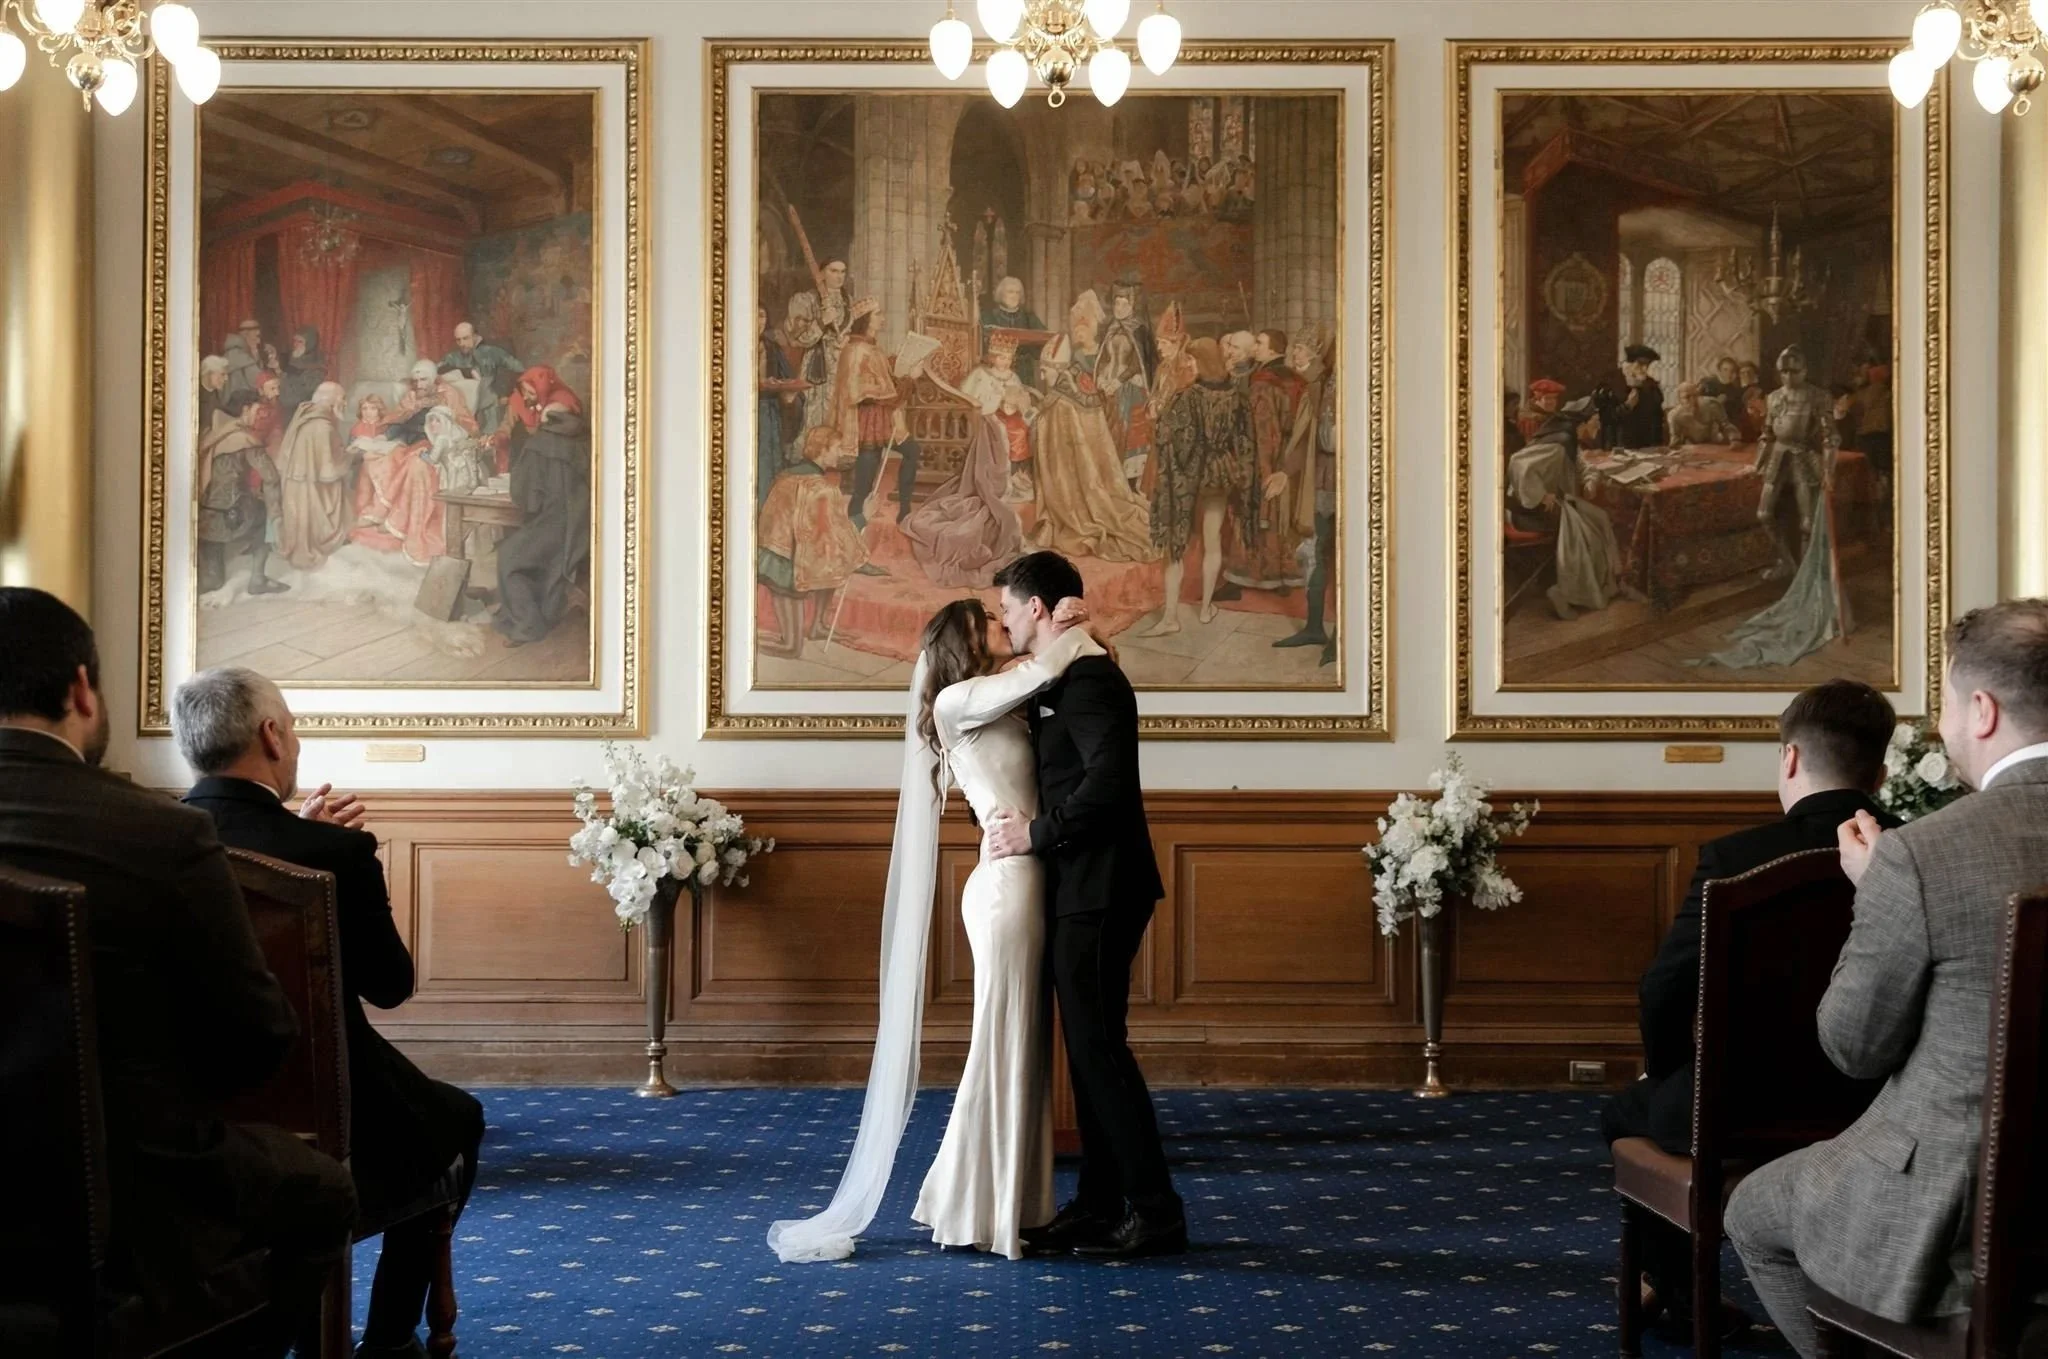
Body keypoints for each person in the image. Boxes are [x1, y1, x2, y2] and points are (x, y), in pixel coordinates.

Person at [0, 589, 355, 1357]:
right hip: (130, 1188)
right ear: (83, 690)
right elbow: (258, 1036)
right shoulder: (158, 832)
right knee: (325, 1191)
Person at [1727, 599, 2048, 1359]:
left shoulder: (1920, 856)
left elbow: (1853, 1047)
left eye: (1944, 701)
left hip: (1961, 1199)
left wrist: (1878, 892)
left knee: (1752, 1211)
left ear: (1982, 708)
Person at [766, 594, 1104, 1263]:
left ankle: (1008, 1202)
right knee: (999, 1045)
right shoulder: (957, 703)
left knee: (1024, 1046)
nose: (1001, 628)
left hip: (1028, 879)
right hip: (1007, 893)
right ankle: (967, 1201)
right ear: (961, 642)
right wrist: (1077, 629)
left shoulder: (993, 701)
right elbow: (1039, 671)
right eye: (989, 624)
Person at [174, 668, 487, 1359]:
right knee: (458, 1121)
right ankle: (390, 1338)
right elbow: (390, 985)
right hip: (330, 1102)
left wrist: (290, 831)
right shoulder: (335, 853)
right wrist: (317, 850)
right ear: (272, 734)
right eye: (294, 724)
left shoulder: (159, 837)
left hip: (190, 1102)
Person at [1605, 680, 1898, 1341]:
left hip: (1739, 1104)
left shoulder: (1734, 858)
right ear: (1879, 772)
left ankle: (1677, 1290)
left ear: (1789, 758)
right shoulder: (1916, 849)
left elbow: (1663, 989)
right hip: (1881, 1107)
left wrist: (1674, 1073)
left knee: (1625, 1109)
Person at [984, 551, 1185, 1260]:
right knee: (1091, 1053)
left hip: (1101, 889)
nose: (1002, 620)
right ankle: (1100, 1206)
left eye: (1008, 607)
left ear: (1037, 608)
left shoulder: (1092, 680)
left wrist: (1035, 833)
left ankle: (1156, 1212)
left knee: (1100, 1053)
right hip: (1085, 888)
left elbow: (1108, 785)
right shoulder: (1069, 674)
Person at [1028, 296, 1156, 563]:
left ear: (1056, 368)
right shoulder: (1076, 377)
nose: (1042, 378)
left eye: (1044, 371)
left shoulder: (1061, 399)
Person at [1145, 337, 1253, 635]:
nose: (1188, 364)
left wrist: (1159, 421)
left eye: (1192, 360)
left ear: (1202, 362)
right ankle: (1205, 609)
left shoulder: (1187, 396)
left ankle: (1170, 618)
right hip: (1219, 474)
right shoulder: (1235, 396)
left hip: (1187, 477)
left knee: (1175, 545)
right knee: (1212, 540)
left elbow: (1174, 442)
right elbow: (1244, 441)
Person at [1507, 396, 1637, 621]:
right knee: (1585, 531)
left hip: (1556, 503)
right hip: (1528, 511)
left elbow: (1582, 465)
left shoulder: (1569, 443)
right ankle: (1564, 592)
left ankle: (1613, 582)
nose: (1599, 425)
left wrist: (1589, 481)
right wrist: (1539, 495)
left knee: (1601, 517)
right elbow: (1518, 464)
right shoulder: (1557, 445)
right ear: (1580, 425)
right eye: (1595, 421)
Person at [494, 366, 591, 647]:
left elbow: (525, 498)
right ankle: (536, 613)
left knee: (509, 556)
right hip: (581, 527)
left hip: (554, 523)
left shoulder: (540, 443)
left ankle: (528, 626)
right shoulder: (585, 441)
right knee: (528, 550)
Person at [1224, 328, 1309, 594]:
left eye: (1259, 344)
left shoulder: (1263, 382)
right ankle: (1280, 578)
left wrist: (1256, 466)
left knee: (1255, 514)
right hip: (1288, 456)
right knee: (1277, 518)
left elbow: (1262, 430)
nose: (1255, 348)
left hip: (1263, 457)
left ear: (1273, 350)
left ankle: (1245, 579)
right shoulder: (1295, 379)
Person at [1273, 334, 1338, 664]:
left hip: (1346, 484)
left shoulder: (1340, 385)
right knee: (1315, 553)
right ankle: (1315, 628)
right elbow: (1311, 436)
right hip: (1322, 483)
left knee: (1347, 561)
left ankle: (1343, 639)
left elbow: (1331, 437)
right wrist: (1286, 471)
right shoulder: (1320, 385)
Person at [197, 390, 286, 597]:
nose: (260, 416)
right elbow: (271, 476)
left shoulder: (216, 433)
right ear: (245, 409)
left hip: (205, 515)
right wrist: (276, 512)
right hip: (232, 514)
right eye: (257, 410)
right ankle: (257, 579)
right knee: (265, 515)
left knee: (214, 579)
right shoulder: (243, 439)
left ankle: (207, 580)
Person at [277, 380, 352, 571]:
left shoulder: (307, 417)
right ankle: (324, 541)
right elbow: (330, 471)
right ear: (332, 400)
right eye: (342, 398)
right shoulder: (322, 427)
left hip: (298, 484)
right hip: (311, 487)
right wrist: (352, 454)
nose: (344, 403)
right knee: (340, 496)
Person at [787, 258, 854, 444]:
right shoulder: (807, 299)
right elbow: (798, 339)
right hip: (817, 362)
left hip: (841, 362)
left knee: (839, 410)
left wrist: (845, 339)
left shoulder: (848, 301)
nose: (839, 276)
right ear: (822, 273)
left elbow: (849, 329)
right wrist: (822, 321)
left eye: (843, 271)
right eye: (834, 271)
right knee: (814, 411)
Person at [437, 320, 524, 444]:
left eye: (465, 338)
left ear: (475, 336)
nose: (462, 343)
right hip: (463, 406)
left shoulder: (492, 352)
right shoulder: (452, 358)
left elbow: (518, 368)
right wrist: (464, 372)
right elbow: (436, 372)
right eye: (458, 340)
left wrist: (505, 392)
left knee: (490, 437)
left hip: (489, 402)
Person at [981, 275, 1047, 390]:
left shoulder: (1029, 317)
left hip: (1024, 371)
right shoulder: (988, 316)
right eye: (1010, 292)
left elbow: (1044, 341)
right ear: (1001, 294)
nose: (1014, 296)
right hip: (996, 369)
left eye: (1017, 293)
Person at [1613, 343, 1666, 448]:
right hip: (1620, 444)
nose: (1644, 369)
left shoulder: (1651, 385)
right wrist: (1627, 406)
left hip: (1647, 445)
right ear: (1629, 363)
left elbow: (1657, 418)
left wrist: (1657, 445)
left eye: (1647, 365)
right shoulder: (1614, 382)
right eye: (1641, 364)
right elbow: (1608, 418)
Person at [1667, 379, 1740, 446]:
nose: (1693, 400)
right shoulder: (1675, 415)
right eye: (1687, 397)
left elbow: (1726, 425)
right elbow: (1675, 441)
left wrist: (1734, 439)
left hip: (1714, 444)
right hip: (1692, 449)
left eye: (1695, 395)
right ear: (1680, 400)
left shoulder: (1711, 405)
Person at [223, 318, 279, 399]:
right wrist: (276, 369)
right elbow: (259, 380)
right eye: (256, 337)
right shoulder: (236, 354)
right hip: (239, 400)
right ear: (245, 335)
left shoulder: (245, 352)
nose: (258, 341)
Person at [279, 326, 327, 414]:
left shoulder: (317, 361)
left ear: (310, 344)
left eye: (300, 341)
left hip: (303, 408)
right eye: (295, 341)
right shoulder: (290, 357)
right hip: (284, 407)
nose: (295, 344)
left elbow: (310, 389)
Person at [1700, 355, 1744, 430]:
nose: (1729, 374)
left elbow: (1737, 413)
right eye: (1725, 370)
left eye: (1732, 371)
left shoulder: (1735, 390)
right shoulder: (1708, 383)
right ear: (1719, 371)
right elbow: (1699, 405)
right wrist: (1716, 402)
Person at [1519, 377, 1565, 442]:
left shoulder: (1554, 416)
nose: (1551, 402)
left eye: (1554, 398)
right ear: (1537, 400)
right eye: (1547, 398)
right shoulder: (1530, 419)